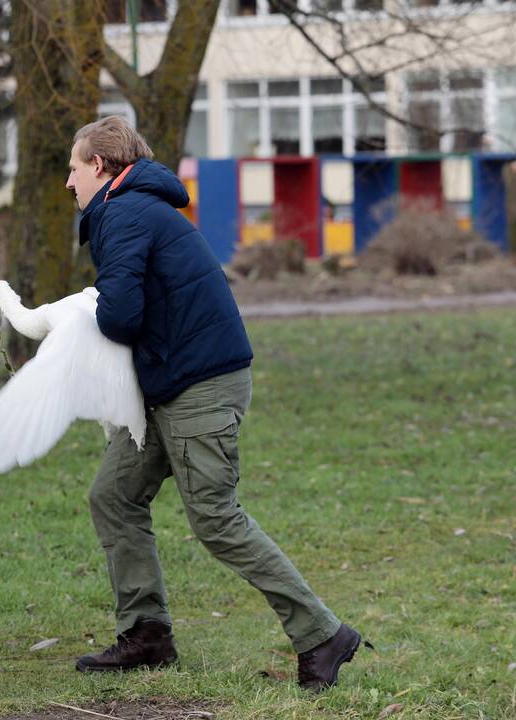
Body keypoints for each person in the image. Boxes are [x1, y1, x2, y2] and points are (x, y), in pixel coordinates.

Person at [66, 116, 359, 692]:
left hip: (200, 386)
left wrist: (77, 320)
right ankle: (146, 634)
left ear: (98, 167)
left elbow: (119, 313)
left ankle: (322, 634)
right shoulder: (135, 208)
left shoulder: (122, 211)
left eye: (73, 168)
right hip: (171, 384)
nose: (68, 182)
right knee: (114, 495)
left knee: (216, 519)